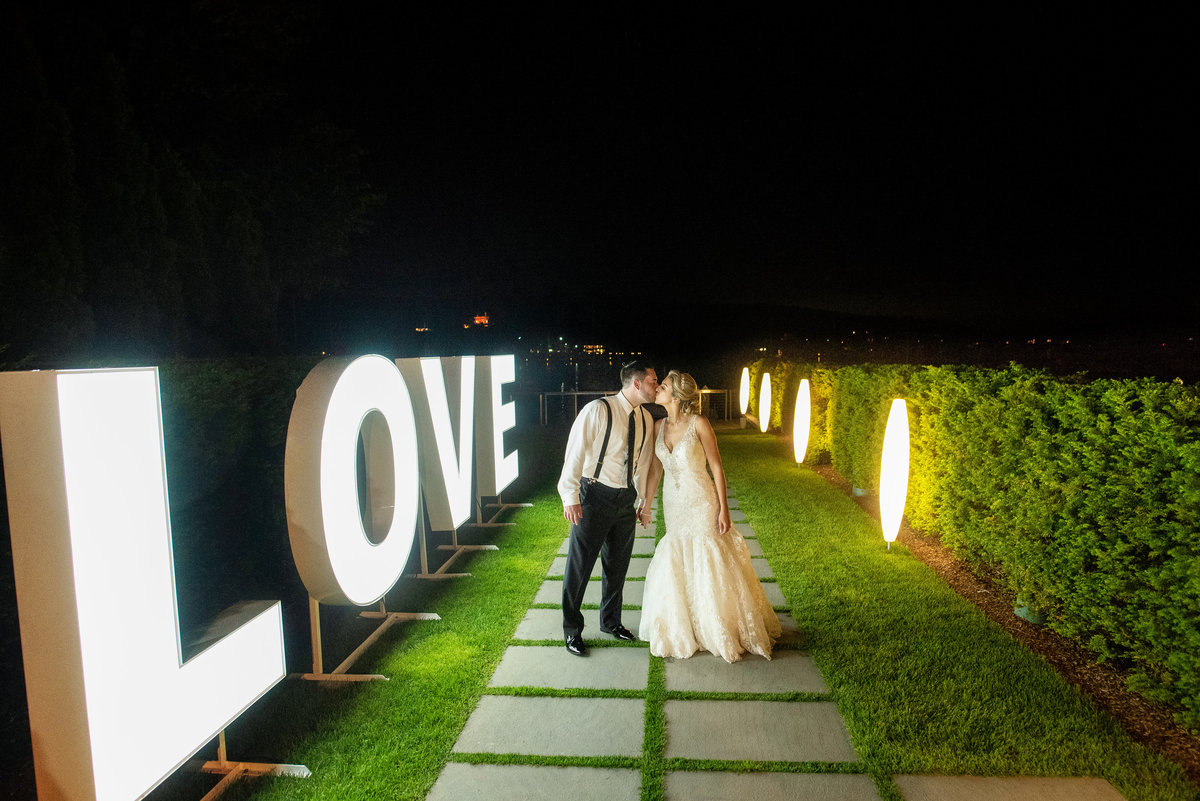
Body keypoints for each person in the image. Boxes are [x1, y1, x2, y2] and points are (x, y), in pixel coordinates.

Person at [638, 370, 781, 662]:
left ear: (676, 396)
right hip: (674, 503)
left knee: (709, 556)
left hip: (701, 501)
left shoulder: (699, 424)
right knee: (677, 555)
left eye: (662, 387)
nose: (657, 390)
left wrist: (723, 508)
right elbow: (655, 469)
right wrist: (647, 503)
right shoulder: (657, 425)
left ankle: (718, 625)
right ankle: (686, 626)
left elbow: (716, 467)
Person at [558, 360, 659, 656]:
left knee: (617, 567)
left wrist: (642, 501)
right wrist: (570, 496)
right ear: (637, 383)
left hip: (625, 500)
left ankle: (611, 622)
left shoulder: (645, 420)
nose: (657, 384)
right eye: (653, 380)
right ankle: (572, 630)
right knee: (579, 567)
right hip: (594, 496)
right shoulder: (598, 409)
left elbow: (642, 463)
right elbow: (574, 452)